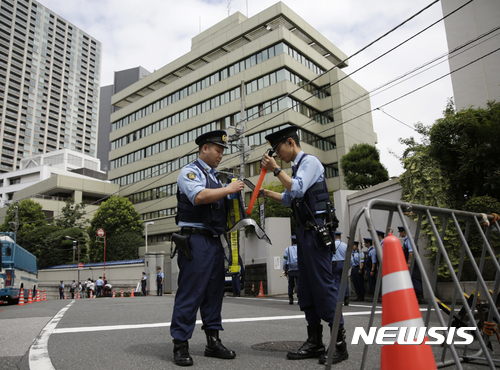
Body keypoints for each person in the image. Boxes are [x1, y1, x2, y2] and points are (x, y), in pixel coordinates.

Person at [260, 125, 348, 365]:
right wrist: (266, 193)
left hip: (316, 234)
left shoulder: (310, 162)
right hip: (305, 234)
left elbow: (297, 190)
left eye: (278, 149)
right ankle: (314, 341)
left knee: (323, 287)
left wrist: (275, 170)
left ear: (290, 142)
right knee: (307, 289)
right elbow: (289, 198)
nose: (278, 155)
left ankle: (339, 344)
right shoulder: (297, 168)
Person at [171, 130, 243, 366]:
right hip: (195, 239)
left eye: (222, 151)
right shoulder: (190, 171)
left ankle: (213, 341)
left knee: (214, 292)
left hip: (213, 240)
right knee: (191, 292)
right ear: (204, 149)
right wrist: (229, 190)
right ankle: (180, 344)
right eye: (218, 150)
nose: (221, 155)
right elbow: (199, 197)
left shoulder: (216, 178)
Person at [398, 226, 423, 302]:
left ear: (404, 232)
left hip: (411, 262)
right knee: (411, 278)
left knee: (414, 277)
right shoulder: (406, 240)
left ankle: (418, 294)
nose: (399, 233)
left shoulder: (409, 240)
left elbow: (411, 252)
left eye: (400, 232)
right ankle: (414, 294)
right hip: (408, 262)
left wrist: (409, 262)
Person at [332, 232, 349, 306]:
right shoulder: (345, 245)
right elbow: (349, 255)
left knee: (336, 281)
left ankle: (338, 298)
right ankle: (346, 297)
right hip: (344, 263)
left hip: (335, 264)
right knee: (345, 281)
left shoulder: (332, 245)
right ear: (340, 237)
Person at [283, 235, 299, 305]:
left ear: (292, 242)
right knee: (299, 284)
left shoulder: (288, 249)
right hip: (299, 268)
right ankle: (299, 298)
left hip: (291, 268)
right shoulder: (300, 248)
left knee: (291, 284)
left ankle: (290, 298)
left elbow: (285, 259)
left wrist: (284, 268)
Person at [364, 238, 378, 302]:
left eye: (365, 243)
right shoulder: (368, 250)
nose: (364, 244)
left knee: (372, 283)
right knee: (370, 282)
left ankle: (375, 296)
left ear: (368, 243)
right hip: (368, 268)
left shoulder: (372, 251)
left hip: (371, 268)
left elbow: (373, 261)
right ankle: (373, 295)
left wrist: (372, 270)